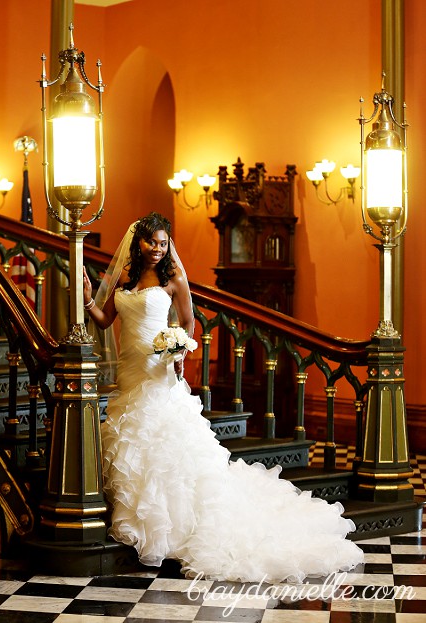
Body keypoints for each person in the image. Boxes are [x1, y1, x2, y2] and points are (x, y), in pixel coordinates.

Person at [82, 212, 364, 583]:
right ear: (138, 244)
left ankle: (173, 530)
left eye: (163, 243)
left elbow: (187, 323)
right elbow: (105, 321)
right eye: (151, 242)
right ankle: (145, 525)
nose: (157, 249)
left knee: (163, 445)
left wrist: (179, 352)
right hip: (129, 371)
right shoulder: (122, 279)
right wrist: (88, 301)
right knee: (132, 443)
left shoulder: (173, 279)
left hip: (157, 372)